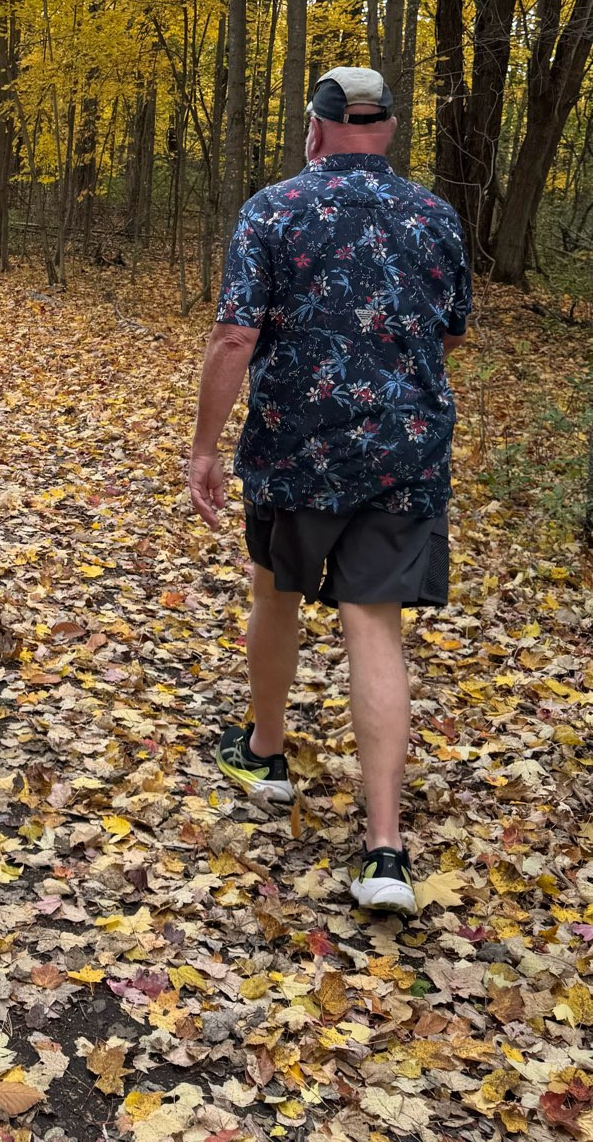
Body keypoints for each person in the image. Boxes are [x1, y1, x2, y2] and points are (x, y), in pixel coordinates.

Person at [188, 67, 471, 915]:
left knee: (275, 586)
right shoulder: (435, 214)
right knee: (372, 624)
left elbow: (236, 335)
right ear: (384, 129)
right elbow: (449, 330)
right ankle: (384, 848)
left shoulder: (273, 209)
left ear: (315, 130)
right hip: (404, 452)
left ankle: (265, 753)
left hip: (296, 450)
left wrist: (203, 448)